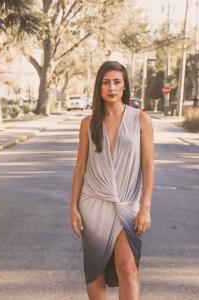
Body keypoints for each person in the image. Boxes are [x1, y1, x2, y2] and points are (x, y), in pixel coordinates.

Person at [70, 60, 155, 299]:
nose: (112, 87)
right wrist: (73, 207)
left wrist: (145, 207)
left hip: (127, 203)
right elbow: (80, 167)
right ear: (99, 87)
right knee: (95, 269)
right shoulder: (88, 123)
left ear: (125, 86)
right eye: (106, 82)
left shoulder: (141, 119)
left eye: (117, 82)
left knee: (127, 267)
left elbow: (148, 165)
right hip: (93, 202)